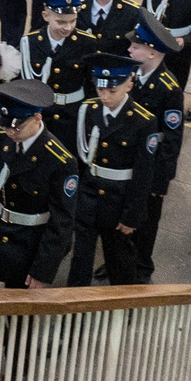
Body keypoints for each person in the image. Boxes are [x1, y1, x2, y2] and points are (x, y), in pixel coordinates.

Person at [0, 79, 78, 289]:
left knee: (19, 314)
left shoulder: (60, 161)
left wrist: (43, 271)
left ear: (37, 118)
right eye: (5, 125)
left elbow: (61, 223)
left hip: (28, 244)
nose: (10, 133)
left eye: (17, 128)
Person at [64, 55, 159, 286]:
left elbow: (143, 175)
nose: (104, 96)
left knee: (119, 256)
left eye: (112, 91)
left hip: (119, 198)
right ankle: (75, 303)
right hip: (89, 192)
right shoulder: (88, 109)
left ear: (129, 83)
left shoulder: (143, 121)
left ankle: (122, 303)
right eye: (100, 89)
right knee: (81, 255)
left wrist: (132, 215)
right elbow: (79, 157)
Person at [124, 13, 190, 275]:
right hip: (125, 160)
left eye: (136, 47)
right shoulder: (128, 75)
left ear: (152, 53)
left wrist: (162, 180)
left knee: (147, 219)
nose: (129, 49)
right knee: (124, 214)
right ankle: (119, 258)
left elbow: (172, 138)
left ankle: (141, 265)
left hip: (150, 168)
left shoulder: (168, 89)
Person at [22, 0, 98, 117]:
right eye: (61, 22)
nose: (68, 27)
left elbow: (92, 83)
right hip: (40, 114)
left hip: (72, 114)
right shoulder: (29, 42)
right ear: (46, 16)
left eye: (73, 21)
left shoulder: (87, 43)